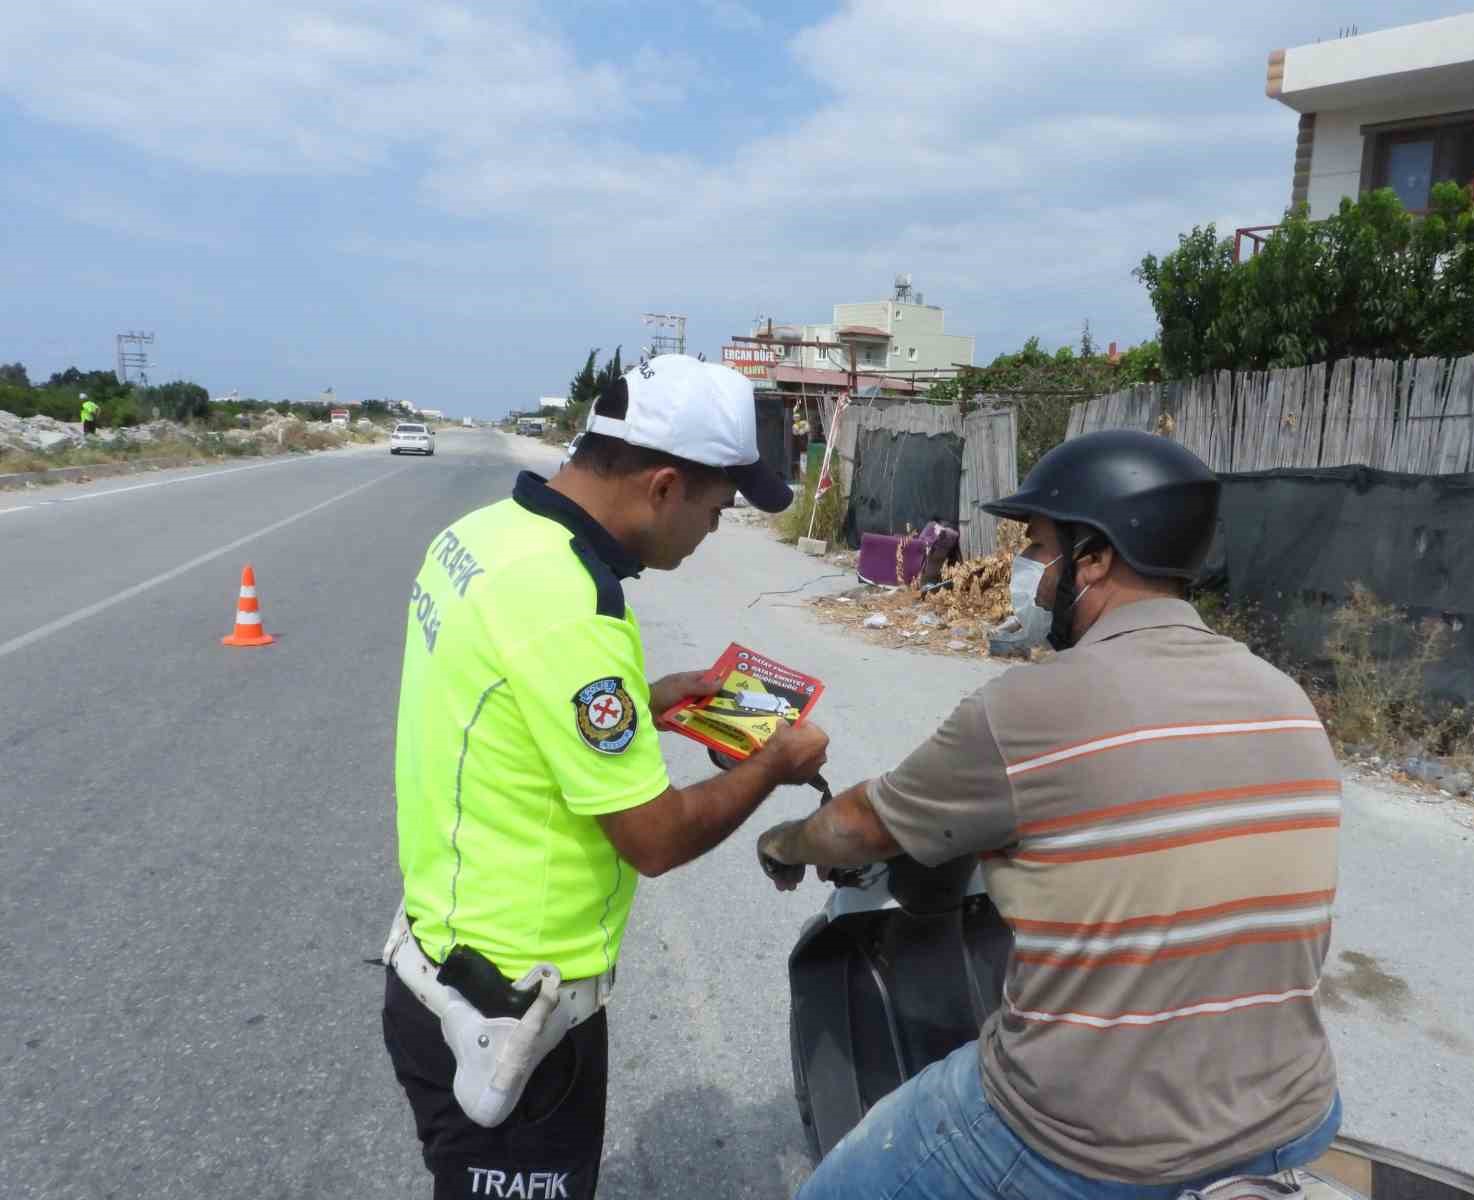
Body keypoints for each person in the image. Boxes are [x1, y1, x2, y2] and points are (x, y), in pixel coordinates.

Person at [758, 429, 1343, 1200]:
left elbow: (866, 824)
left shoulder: (1028, 708)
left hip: (1086, 1137)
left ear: (1094, 558)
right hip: (1294, 1109)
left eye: (1038, 549)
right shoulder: (1284, 697)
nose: (1027, 580)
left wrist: (787, 842)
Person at [383, 353, 830, 1200]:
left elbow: (509, 700)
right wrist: (776, 761)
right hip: (517, 1011)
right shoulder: (573, 608)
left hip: (440, 960)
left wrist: (644, 699)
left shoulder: (482, 537)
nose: (712, 533)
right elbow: (654, 838)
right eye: (716, 509)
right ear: (663, 487)